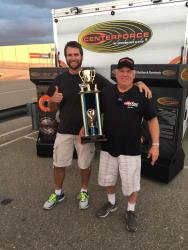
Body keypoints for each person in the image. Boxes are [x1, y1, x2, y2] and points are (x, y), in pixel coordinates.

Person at [43, 41, 152, 210]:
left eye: (76, 54)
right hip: (64, 130)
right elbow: (49, 107)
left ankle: (84, 191)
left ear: (81, 56)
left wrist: (138, 84)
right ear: (66, 57)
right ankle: (58, 193)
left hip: (87, 131)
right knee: (58, 164)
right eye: (70, 55)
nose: (73, 58)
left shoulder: (90, 75)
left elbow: (118, 87)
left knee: (85, 165)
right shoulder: (60, 79)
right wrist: (51, 101)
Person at [95, 57, 159, 232]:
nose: (124, 74)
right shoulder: (106, 92)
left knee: (132, 184)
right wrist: (84, 128)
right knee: (108, 179)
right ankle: (112, 202)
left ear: (134, 74)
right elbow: (92, 113)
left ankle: (130, 211)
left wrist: (155, 145)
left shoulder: (141, 94)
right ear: (115, 73)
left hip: (131, 150)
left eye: (128, 71)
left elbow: (152, 120)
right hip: (108, 146)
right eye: (121, 70)